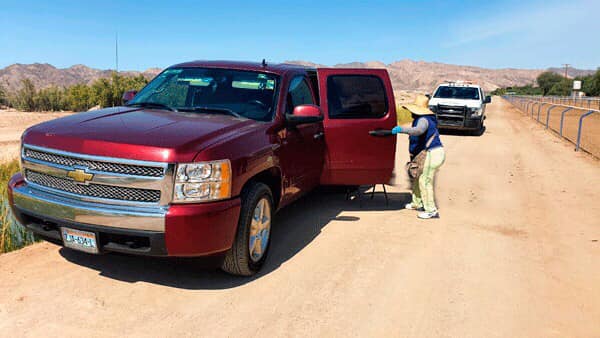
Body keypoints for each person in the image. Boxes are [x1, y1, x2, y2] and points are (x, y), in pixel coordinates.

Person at [392, 94, 445, 219]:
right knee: (417, 177)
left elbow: (418, 131)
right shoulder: (422, 118)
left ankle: (431, 210)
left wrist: (401, 129)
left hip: (433, 153)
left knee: (424, 180)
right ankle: (417, 203)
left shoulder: (424, 120)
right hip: (430, 153)